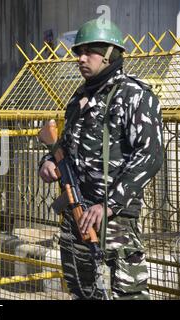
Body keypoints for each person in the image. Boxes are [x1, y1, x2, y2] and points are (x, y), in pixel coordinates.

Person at [39, 19, 163, 300]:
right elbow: (65, 149)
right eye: (78, 51)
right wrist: (48, 162)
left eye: (90, 51)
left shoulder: (134, 95)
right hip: (76, 214)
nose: (81, 58)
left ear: (110, 53)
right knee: (81, 291)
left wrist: (108, 204)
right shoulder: (79, 98)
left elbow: (150, 156)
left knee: (127, 294)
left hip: (114, 220)